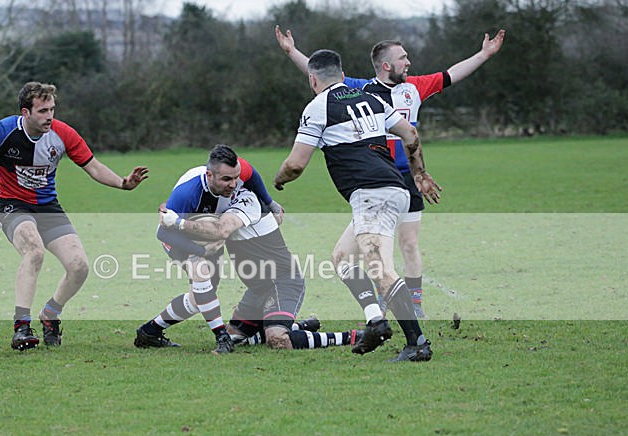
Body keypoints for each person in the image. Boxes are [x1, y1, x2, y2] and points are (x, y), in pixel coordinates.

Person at [275, 26, 505, 317]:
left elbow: (451, 74)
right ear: (386, 65)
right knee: (374, 248)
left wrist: (484, 54)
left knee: (408, 243)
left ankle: (415, 305)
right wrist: (291, 51)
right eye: (403, 58)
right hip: (377, 174)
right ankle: (386, 299)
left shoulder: (415, 87)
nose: (408, 62)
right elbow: (324, 76)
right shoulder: (362, 89)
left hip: (408, 178)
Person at [274, 49, 441, 362]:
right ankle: (376, 321)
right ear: (341, 73)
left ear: (312, 79)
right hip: (393, 189)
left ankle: (417, 343)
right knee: (342, 257)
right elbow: (410, 133)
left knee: (381, 270)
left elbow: (295, 165)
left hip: (372, 194)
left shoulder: (318, 106)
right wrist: (419, 173)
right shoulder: (373, 99)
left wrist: (278, 180)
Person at [0, 82, 148, 350]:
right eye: (42, 111)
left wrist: (123, 183)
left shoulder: (63, 134)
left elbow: (93, 166)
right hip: (11, 204)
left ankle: (50, 314)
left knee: (79, 266)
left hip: (47, 206)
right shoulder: (2, 130)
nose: (49, 116)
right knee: (34, 252)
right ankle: (21, 327)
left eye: (52, 109)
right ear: (25, 113)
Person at [159, 187, 365, 351]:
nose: (228, 185)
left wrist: (178, 222)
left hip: (282, 281)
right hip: (258, 289)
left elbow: (221, 230)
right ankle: (298, 327)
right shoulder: (218, 201)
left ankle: (351, 336)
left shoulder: (246, 202)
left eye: (232, 180)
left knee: (278, 340)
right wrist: (173, 209)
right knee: (235, 337)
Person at [133, 145, 284, 355]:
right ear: (209, 174)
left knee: (201, 298)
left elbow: (254, 177)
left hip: (205, 235)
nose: (233, 184)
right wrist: (200, 251)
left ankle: (150, 331)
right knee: (201, 274)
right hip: (177, 236)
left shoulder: (238, 172)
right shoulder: (187, 193)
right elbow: (163, 233)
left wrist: (270, 203)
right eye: (226, 180)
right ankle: (222, 337)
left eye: (236, 178)